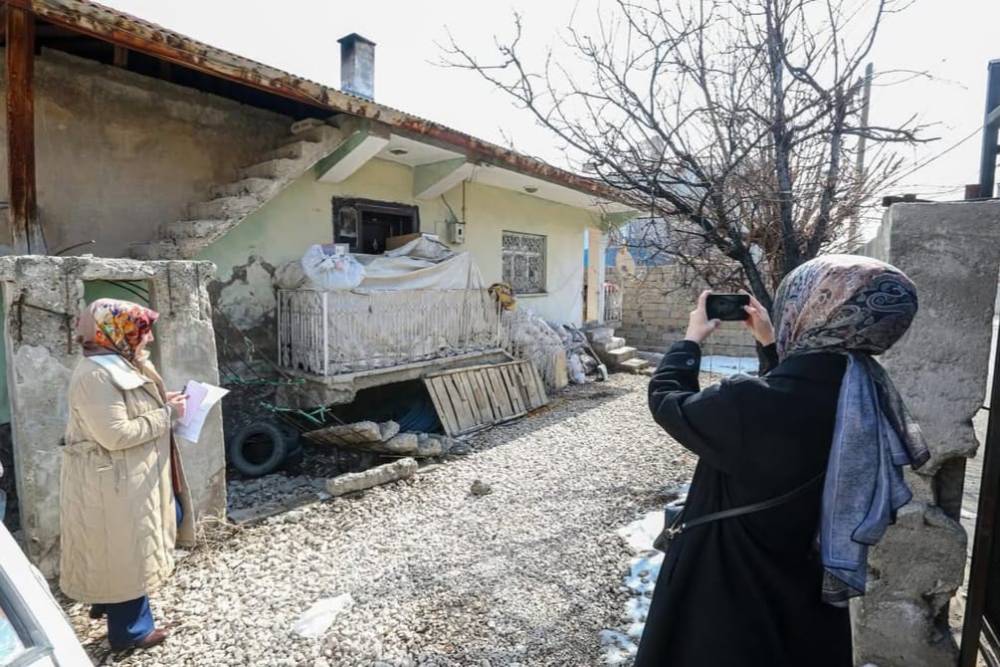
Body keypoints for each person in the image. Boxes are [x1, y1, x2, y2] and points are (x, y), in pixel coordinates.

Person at [635, 255, 928, 667]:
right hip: (802, 586)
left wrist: (690, 341)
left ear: (811, 310)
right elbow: (790, 400)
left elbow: (669, 403)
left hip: (729, 593)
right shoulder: (862, 390)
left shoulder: (753, 405)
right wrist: (771, 344)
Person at [59, 299, 195, 651]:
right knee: (127, 550)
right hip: (113, 480)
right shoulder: (96, 375)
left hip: (126, 477)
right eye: (141, 332)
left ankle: (107, 601)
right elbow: (115, 434)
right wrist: (167, 414)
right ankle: (130, 632)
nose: (147, 340)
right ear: (116, 332)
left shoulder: (115, 362)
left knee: (140, 536)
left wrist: (158, 401)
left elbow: (122, 410)